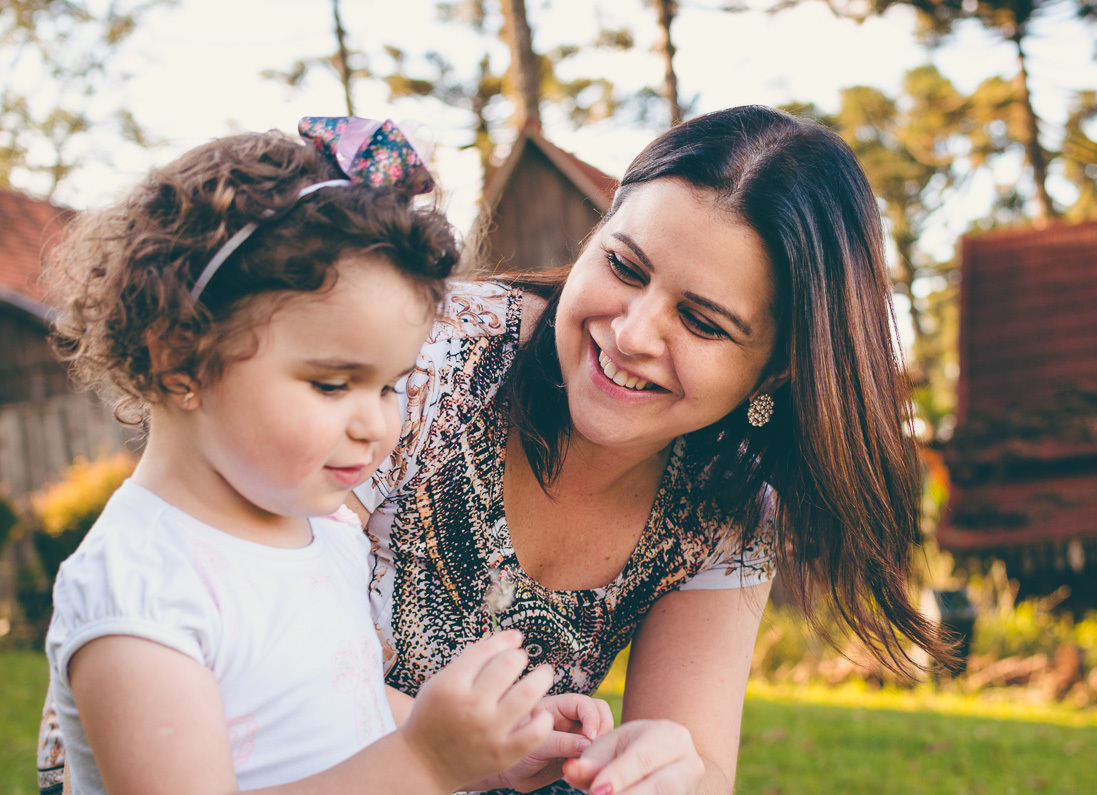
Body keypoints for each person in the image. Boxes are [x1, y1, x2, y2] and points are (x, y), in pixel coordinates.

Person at [348, 104, 951, 795]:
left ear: (778, 369)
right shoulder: (422, 356)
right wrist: (462, 755)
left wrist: (669, 771)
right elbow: (258, 661)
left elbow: (705, 768)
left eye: (700, 321)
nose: (633, 333)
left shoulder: (728, 511)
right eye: (625, 267)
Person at [38, 117, 611, 794]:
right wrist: (423, 762)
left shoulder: (322, 529)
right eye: (332, 383)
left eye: (391, 385)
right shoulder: (143, 592)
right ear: (178, 354)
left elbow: (346, 711)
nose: (377, 424)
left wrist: (483, 747)